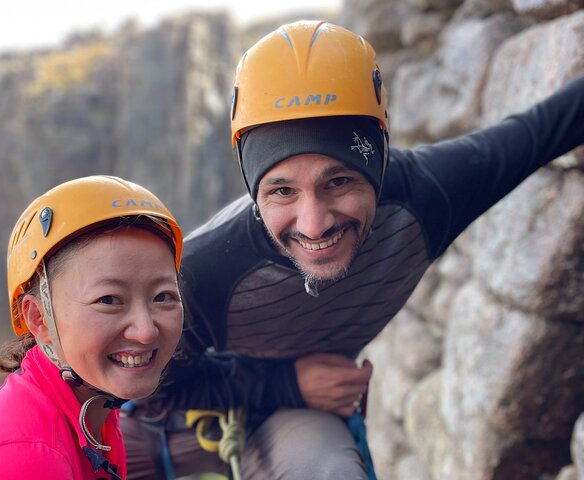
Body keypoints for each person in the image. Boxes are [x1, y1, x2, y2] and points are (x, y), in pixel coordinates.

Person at [120, 19, 584, 480]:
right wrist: (289, 383)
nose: (314, 223)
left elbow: (542, 130)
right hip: (159, 426)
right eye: (282, 191)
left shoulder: (426, 198)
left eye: (338, 181)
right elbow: (152, 386)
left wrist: (294, 393)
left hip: (291, 427)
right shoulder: (205, 270)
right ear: (252, 188)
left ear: (378, 162)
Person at [0, 176, 185, 480]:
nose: (145, 331)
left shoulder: (90, 405)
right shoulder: (26, 460)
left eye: (163, 297)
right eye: (108, 300)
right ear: (39, 319)